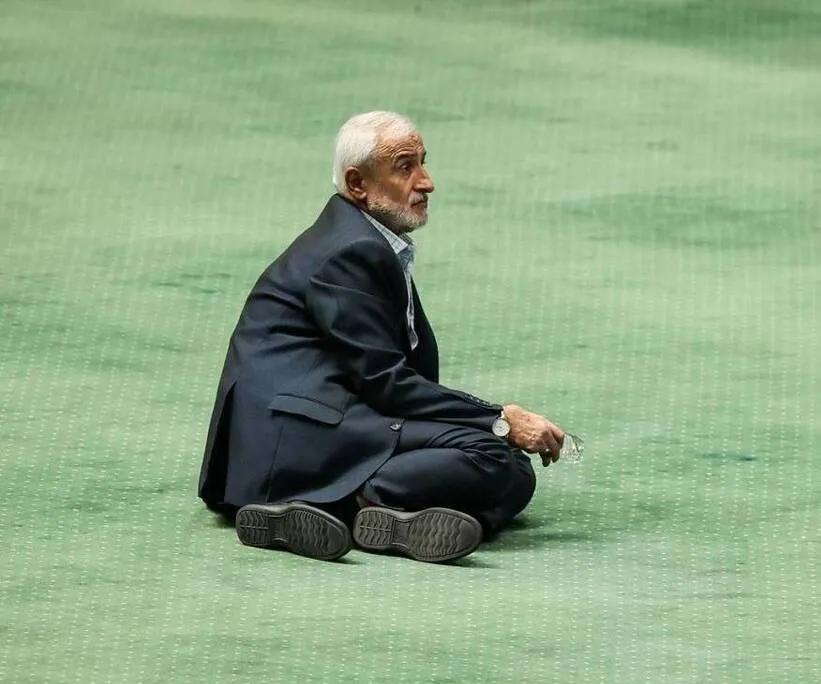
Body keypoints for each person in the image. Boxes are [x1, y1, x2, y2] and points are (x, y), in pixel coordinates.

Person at [197, 111, 568, 563]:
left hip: (323, 417)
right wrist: (500, 419)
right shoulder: (349, 251)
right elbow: (387, 383)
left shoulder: (364, 238)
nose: (426, 182)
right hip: (292, 439)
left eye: (423, 162)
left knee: (512, 470)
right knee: (492, 457)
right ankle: (347, 505)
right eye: (405, 166)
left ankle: (378, 517)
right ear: (358, 184)